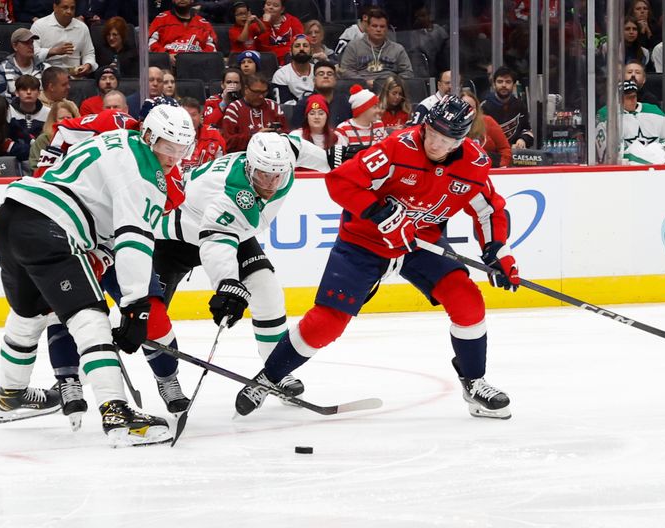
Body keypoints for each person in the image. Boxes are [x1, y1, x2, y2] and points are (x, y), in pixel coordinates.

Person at [233, 95, 517, 420]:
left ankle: (474, 382)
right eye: (432, 133)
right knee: (327, 322)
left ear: (462, 139)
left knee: (467, 300)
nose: (436, 143)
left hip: (418, 243)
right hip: (364, 240)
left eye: (447, 139)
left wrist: (497, 251)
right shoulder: (398, 148)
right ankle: (269, 378)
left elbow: (488, 209)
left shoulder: (474, 165)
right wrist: (379, 211)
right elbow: (341, 181)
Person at [0, 104, 195, 447]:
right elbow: (133, 239)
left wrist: (101, 255)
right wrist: (135, 306)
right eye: (166, 147)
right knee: (91, 318)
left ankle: (12, 394)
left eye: (181, 149)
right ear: (149, 137)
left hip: (12, 217)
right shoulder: (144, 173)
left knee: (30, 314)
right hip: (52, 227)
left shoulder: (119, 139)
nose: (173, 158)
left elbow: (100, 214)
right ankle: (116, 412)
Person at [152, 132, 349, 406]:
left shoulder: (281, 161)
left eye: (276, 176)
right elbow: (215, 242)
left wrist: (329, 160)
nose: (269, 183)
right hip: (173, 237)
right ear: (249, 166)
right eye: (262, 175)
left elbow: (294, 145)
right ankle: (164, 379)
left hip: (229, 230)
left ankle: (275, 370)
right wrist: (227, 283)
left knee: (265, 288)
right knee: (149, 314)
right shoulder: (229, 192)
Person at [33, 105, 140, 176]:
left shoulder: (142, 140)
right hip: (64, 140)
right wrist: (42, 175)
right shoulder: (110, 122)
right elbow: (63, 129)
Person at [596, 79, 665, 164]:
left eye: (634, 96)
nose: (633, 100)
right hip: (626, 170)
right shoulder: (606, 115)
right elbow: (606, 154)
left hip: (659, 165)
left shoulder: (655, 112)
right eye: (628, 98)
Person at [339, 8, 413, 89]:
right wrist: (364, 82)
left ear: (387, 29)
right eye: (374, 26)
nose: (378, 30)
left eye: (382, 27)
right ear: (367, 27)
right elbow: (346, 71)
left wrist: (393, 83)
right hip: (361, 89)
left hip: (390, 90)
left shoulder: (398, 49)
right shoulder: (353, 46)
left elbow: (407, 72)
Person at [31, 0, 97, 78]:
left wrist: (87, 65)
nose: (69, 11)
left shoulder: (82, 27)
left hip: (75, 76)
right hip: (47, 76)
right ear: (55, 7)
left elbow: (88, 53)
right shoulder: (39, 25)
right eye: (65, 7)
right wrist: (53, 51)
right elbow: (32, 54)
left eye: (72, 8)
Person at [222, 72, 286, 152]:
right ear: (246, 89)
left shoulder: (273, 106)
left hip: (274, 153)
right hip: (244, 155)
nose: (261, 96)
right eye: (257, 92)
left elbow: (286, 134)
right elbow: (228, 143)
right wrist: (255, 136)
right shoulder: (234, 109)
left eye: (264, 92)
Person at [148, 0, 218, 67]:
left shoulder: (203, 23)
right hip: (167, 67)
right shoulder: (161, 19)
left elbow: (212, 47)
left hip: (198, 66)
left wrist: (199, 58)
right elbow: (150, 42)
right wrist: (166, 56)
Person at [481, 66, 534, 149]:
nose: (504, 85)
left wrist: (522, 139)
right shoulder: (484, 107)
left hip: (516, 155)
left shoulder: (520, 105)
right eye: (500, 82)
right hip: (493, 156)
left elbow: (526, 129)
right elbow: (482, 138)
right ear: (494, 84)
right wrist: (508, 147)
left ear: (514, 85)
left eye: (508, 82)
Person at [0, 28, 51, 102]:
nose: (31, 46)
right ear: (15, 46)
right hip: (12, 111)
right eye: (26, 43)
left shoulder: (45, 68)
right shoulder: (1, 69)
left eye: (31, 42)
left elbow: (51, 95)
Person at [291, 60, 351, 129]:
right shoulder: (304, 104)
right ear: (314, 81)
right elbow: (296, 131)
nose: (325, 76)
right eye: (321, 74)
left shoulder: (345, 101)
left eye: (329, 74)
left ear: (335, 80)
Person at [461, 88, 512, 168]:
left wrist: (502, 168)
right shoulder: (450, 126)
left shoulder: (488, 121)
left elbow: (505, 149)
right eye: (465, 107)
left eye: (473, 107)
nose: (470, 111)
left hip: (490, 170)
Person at [28, 100, 79, 170]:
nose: (66, 121)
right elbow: (35, 166)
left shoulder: (81, 138)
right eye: (61, 118)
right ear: (54, 120)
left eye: (69, 118)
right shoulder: (43, 139)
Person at [180, 95, 225, 170]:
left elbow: (222, 164)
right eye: (185, 115)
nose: (190, 119)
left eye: (193, 115)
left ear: (200, 116)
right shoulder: (170, 136)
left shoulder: (214, 134)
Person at [334, 84, 386, 148]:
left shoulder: (379, 125)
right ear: (363, 109)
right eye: (375, 107)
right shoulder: (343, 129)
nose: (379, 110)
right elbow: (340, 156)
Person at [7, 74, 50, 151]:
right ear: (16, 93)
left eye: (33, 89)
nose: (29, 92)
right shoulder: (8, 112)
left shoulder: (48, 113)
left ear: (39, 93)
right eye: (24, 89)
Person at [255, 0, 304, 66]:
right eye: (268, 4)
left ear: (282, 9)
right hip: (267, 62)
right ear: (264, 7)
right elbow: (263, 47)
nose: (271, 7)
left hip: (290, 60)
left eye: (275, 5)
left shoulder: (293, 22)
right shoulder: (257, 24)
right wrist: (265, 23)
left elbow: (300, 42)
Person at [271, 33, 314, 103]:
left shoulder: (319, 71)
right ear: (290, 52)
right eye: (297, 46)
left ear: (311, 51)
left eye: (305, 46)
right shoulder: (281, 74)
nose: (301, 48)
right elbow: (285, 106)